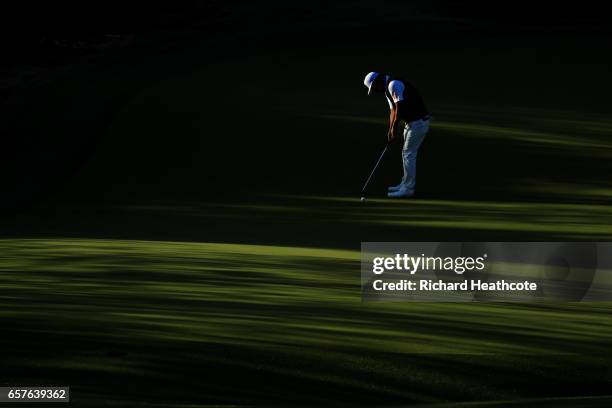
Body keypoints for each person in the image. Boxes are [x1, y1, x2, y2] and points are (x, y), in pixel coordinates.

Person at [363, 71, 431, 198]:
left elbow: (399, 108)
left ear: (378, 81)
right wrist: (390, 130)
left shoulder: (393, 84)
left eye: (374, 87)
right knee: (406, 154)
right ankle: (405, 184)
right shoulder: (387, 89)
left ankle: (408, 188)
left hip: (419, 122)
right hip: (412, 123)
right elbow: (393, 110)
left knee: (409, 154)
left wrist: (394, 128)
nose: (375, 90)